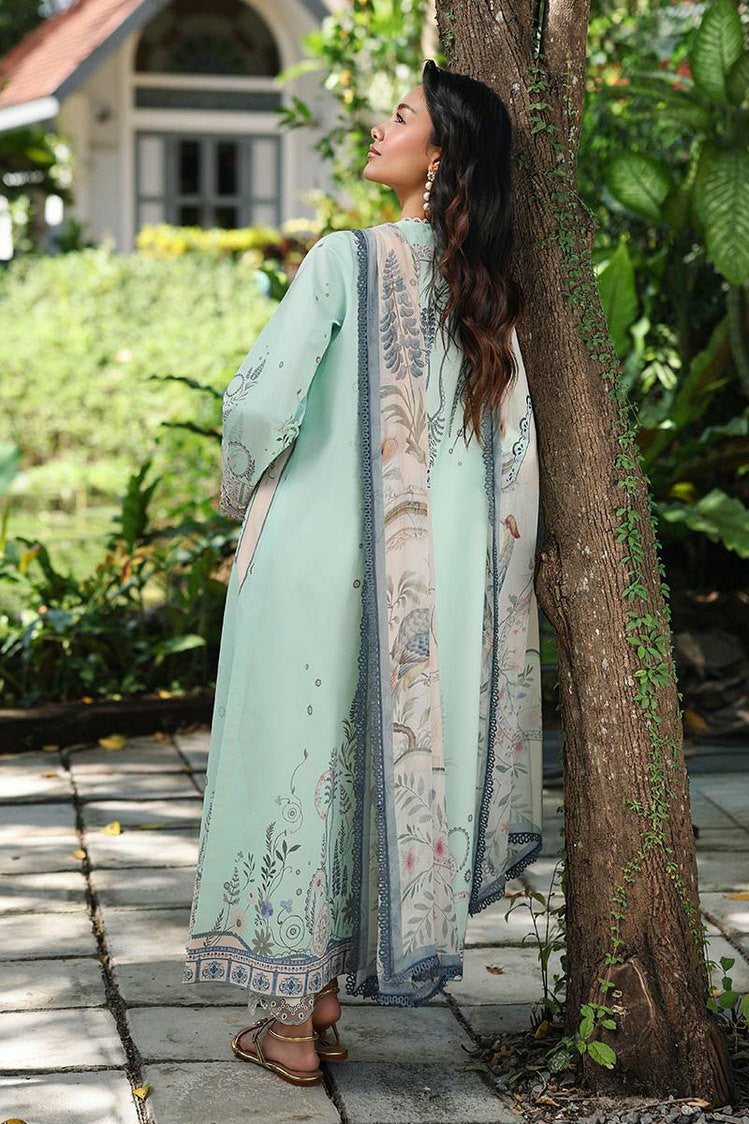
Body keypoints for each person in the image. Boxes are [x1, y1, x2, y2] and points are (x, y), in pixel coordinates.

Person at [183, 58, 543, 1088]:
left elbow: (261, 402)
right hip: (422, 592)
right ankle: (325, 1001)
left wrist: (240, 490)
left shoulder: (345, 261)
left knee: (299, 768)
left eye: (400, 116)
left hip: (307, 563)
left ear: (440, 155)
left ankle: (291, 1024)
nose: (380, 129)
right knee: (370, 766)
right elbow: (513, 461)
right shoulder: (485, 300)